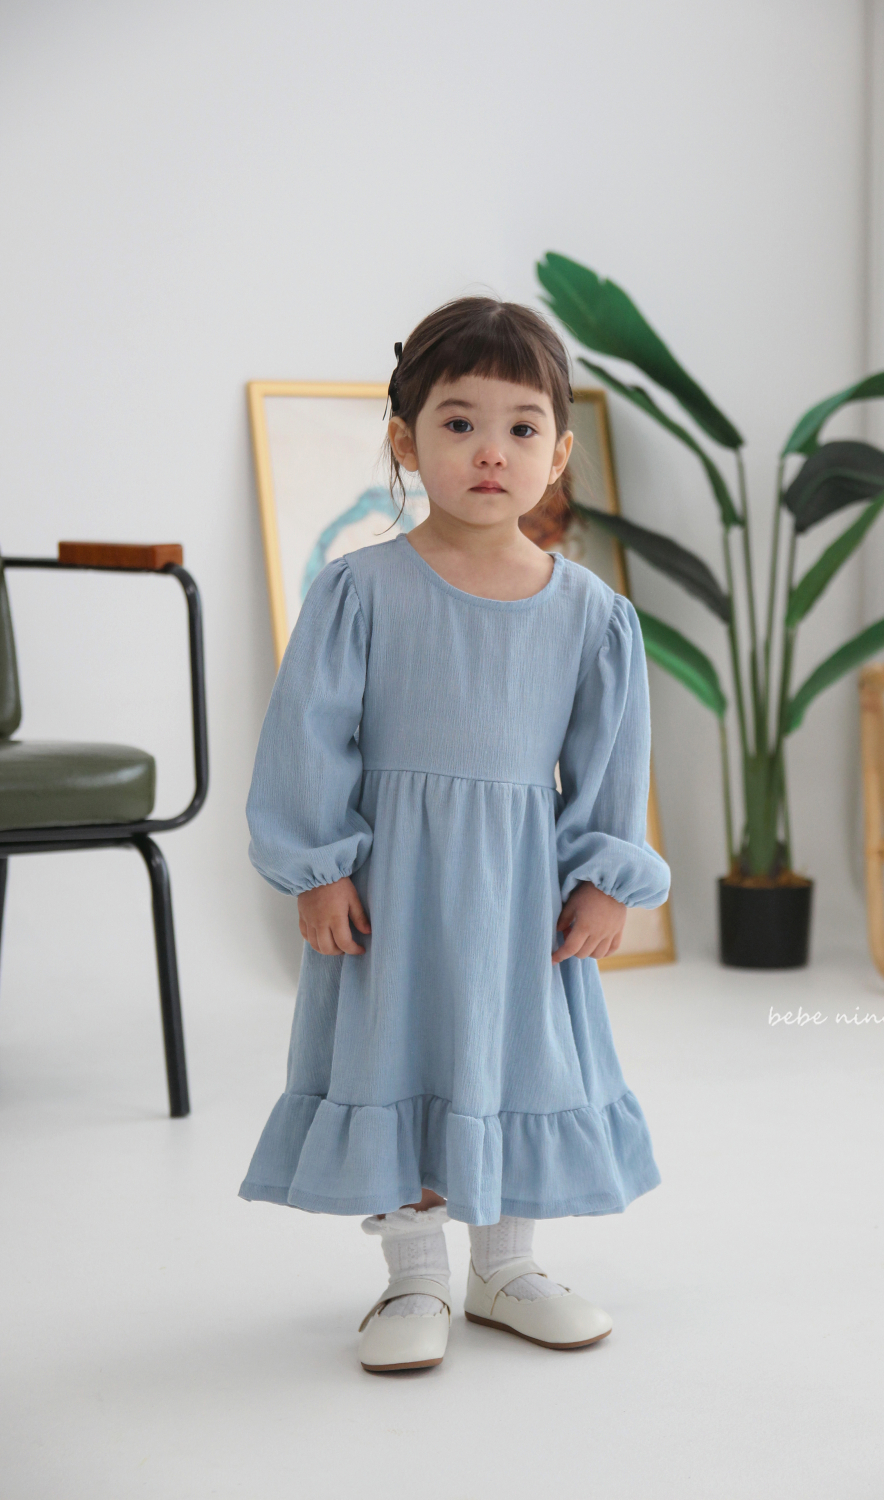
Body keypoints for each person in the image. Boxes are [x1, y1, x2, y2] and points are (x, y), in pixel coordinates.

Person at [239, 296, 671, 1373]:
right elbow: (308, 737)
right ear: (405, 442)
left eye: (522, 428)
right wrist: (318, 868)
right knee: (400, 1053)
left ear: (557, 454)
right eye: (460, 422)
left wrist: (605, 878)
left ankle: (506, 1269)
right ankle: (416, 1277)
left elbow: (612, 760)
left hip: (521, 892)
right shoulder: (360, 590)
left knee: (518, 1059)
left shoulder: (590, 614)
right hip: (397, 888)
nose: (491, 451)